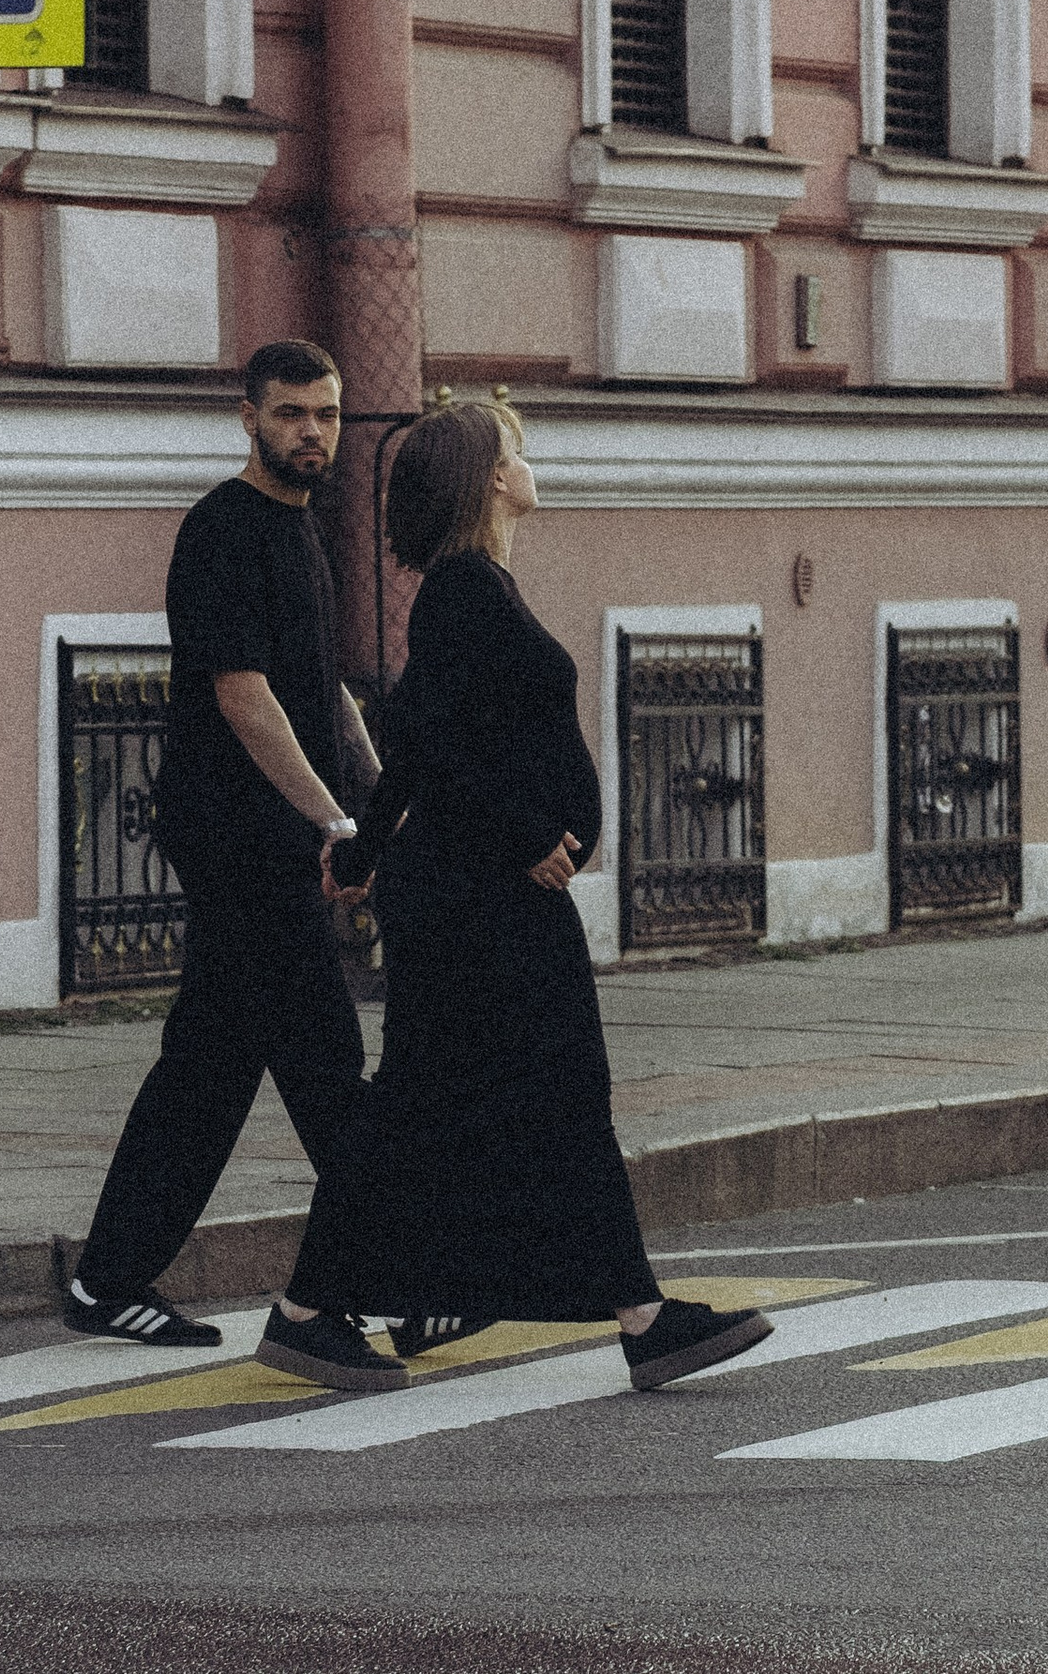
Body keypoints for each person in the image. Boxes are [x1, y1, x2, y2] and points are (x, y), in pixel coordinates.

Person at [256, 398, 772, 1398]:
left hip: (468, 895)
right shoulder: (464, 591)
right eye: (519, 451)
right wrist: (527, 833)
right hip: (477, 900)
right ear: (490, 477)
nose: (532, 464)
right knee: (504, 1098)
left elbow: (416, 729)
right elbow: (432, 737)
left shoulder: (474, 587)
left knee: (461, 1101)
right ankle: (630, 1319)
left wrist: (363, 846)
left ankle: (626, 1314)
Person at [63, 341, 379, 1349]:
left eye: (326, 415)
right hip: (236, 841)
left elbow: (316, 684)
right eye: (292, 414)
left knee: (206, 1071)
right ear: (247, 415)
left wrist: (373, 790)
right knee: (328, 1062)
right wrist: (332, 818)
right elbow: (243, 697)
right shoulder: (221, 532)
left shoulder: (303, 534)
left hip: (277, 840)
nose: (312, 433)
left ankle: (107, 1281)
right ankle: (408, 1269)